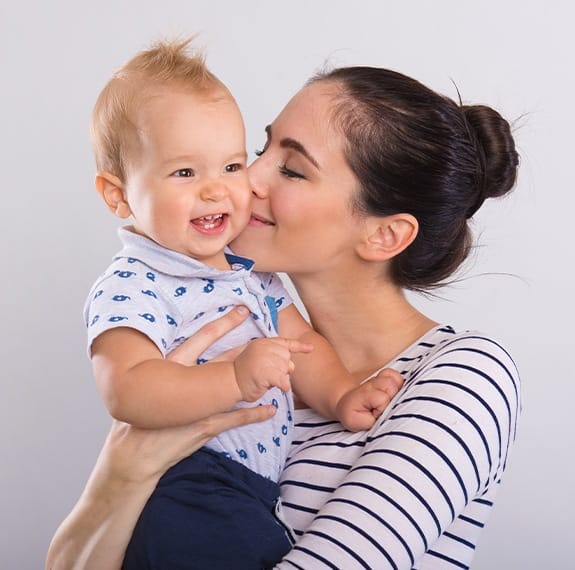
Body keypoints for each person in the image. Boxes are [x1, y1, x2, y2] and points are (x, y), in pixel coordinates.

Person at [46, 61, 521, 570]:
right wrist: (123, 472)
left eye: (291, 169)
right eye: (258, 151)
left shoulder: (462, 377)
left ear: (384, 235)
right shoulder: (220, 345)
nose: (245, 180)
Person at [83, 39, 400, 569]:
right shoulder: (135, 282)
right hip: (187, 482)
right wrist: (232, 379)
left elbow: (303, 346)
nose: (219, 191)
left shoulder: (249, 273)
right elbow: (126, 389)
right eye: (185, 173)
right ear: (117, 195)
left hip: (249, 489)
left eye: (231, 165)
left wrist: (343, 395)